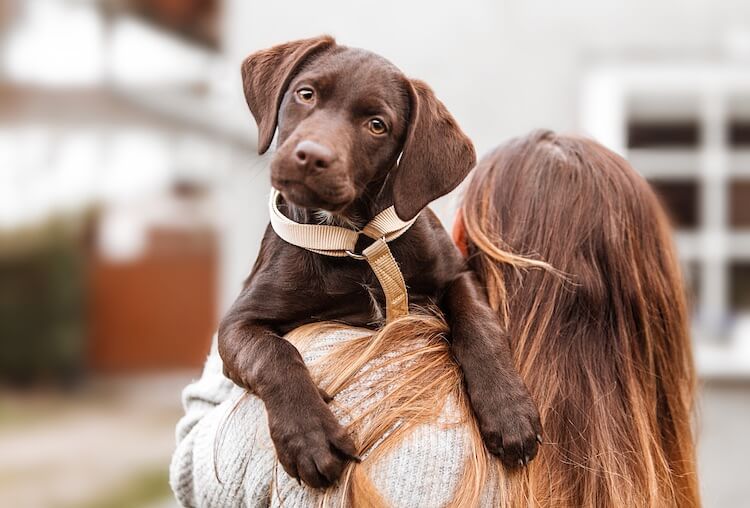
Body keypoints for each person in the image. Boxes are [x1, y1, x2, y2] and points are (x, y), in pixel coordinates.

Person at [170, 130, 700, 507]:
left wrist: (248, 317)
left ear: (468, 243)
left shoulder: (358, 394)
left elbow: (195, 470)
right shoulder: (646, 469)